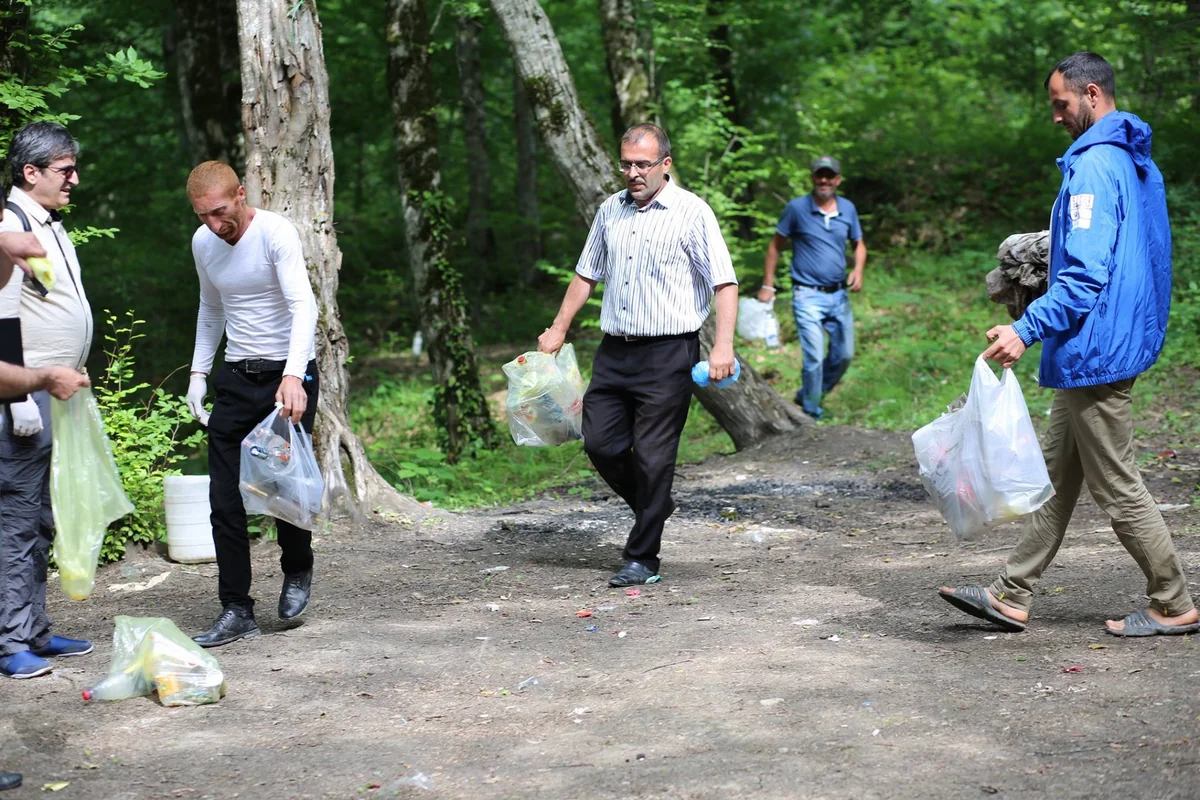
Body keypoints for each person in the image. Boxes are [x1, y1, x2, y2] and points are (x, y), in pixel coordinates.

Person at [939, 52, 1197, 637]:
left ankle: (1173, 600)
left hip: (1095, 348)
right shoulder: (1133, 163)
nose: (1055, 115)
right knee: (1054, 476)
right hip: (1112, 337)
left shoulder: (1094, 169)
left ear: (1091, 95)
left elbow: (1084, 275)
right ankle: (1011, 593)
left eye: (1061, 104)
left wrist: (1026, 328)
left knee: (1118, 485)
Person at [538, 123, 738, 587]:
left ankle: (643, 557)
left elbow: (724, 284)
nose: (633, 172)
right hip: (614, 352)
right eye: (626, 162)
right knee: (600, 443)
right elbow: (586, 276)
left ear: (665, 164)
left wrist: (723, 345)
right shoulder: (611, 210)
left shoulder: (692, 212)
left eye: (643, 164)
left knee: (653, 457)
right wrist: (558, 328)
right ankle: (655, 505)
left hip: (669, 353)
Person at [184, 161, 320, 647]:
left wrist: (294, 376)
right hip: (237, 376)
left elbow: (304, 305)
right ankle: (236, 608)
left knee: (282, 488)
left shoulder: (275, 234)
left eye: (219, 212)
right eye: (202, 216)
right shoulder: (204, 244)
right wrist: (199, 374)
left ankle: (298, 568)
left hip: (287, 375)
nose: (213, 225)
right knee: (224, 497)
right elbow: (210, 309)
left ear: (241, 195)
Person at [0, 122, 97, 680]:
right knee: (15, 522)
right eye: (65, 170)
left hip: (56, 395)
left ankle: (34, 627)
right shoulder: (10, 227)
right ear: (30, 172)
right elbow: (4, 319)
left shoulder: (49, 224)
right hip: (24, 402)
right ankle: (11, 641)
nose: (74, 180)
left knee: (42, 519)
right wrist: (19, 404)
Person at [759, 156, 866, 420]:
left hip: (839, 295)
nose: (824, 180)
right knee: (814, 358)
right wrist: (767, 284)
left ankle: (809, 392)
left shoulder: (848, 209)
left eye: (830, 176)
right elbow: (775, 246)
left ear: (838, 180)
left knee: (845, 356)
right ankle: (811, 410)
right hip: (806, 294)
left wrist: (858, 270)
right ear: (812, 178)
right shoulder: (797, 208)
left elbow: (859, 244)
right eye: (820, 175)